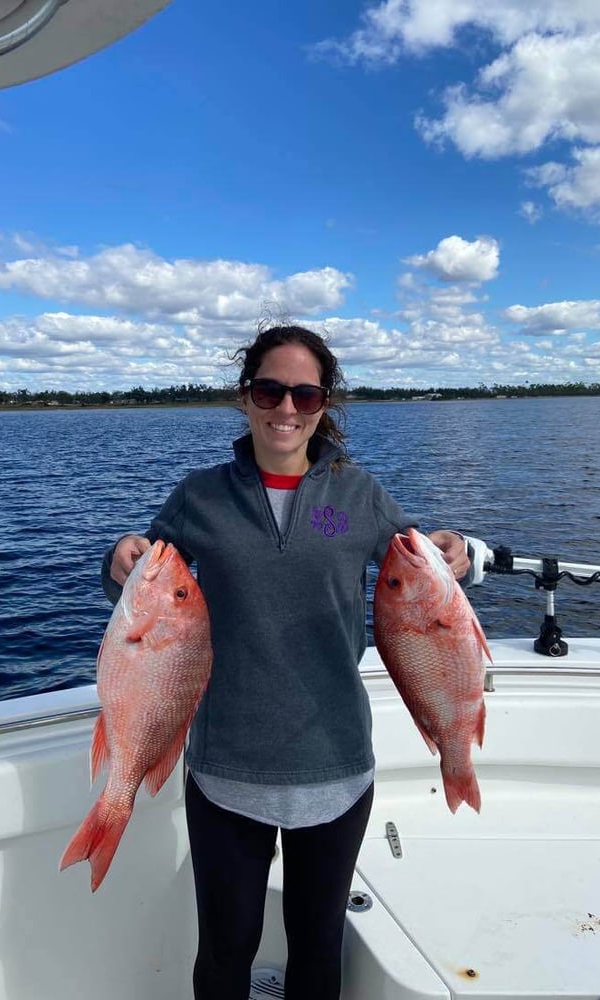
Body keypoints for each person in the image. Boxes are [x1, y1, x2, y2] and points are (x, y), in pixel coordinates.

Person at [101, 323, 477, 1000]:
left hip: (335, 768)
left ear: (325, 403)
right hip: (225, 772)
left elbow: (427, 570)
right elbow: (138, 583)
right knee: (225, 950)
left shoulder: (357, 498)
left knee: (317, 948)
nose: (287, 409)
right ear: (246, 398)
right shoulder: (201, 497)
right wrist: (120, 553)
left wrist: (460, 549)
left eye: (305, 394)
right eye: (271, 390)